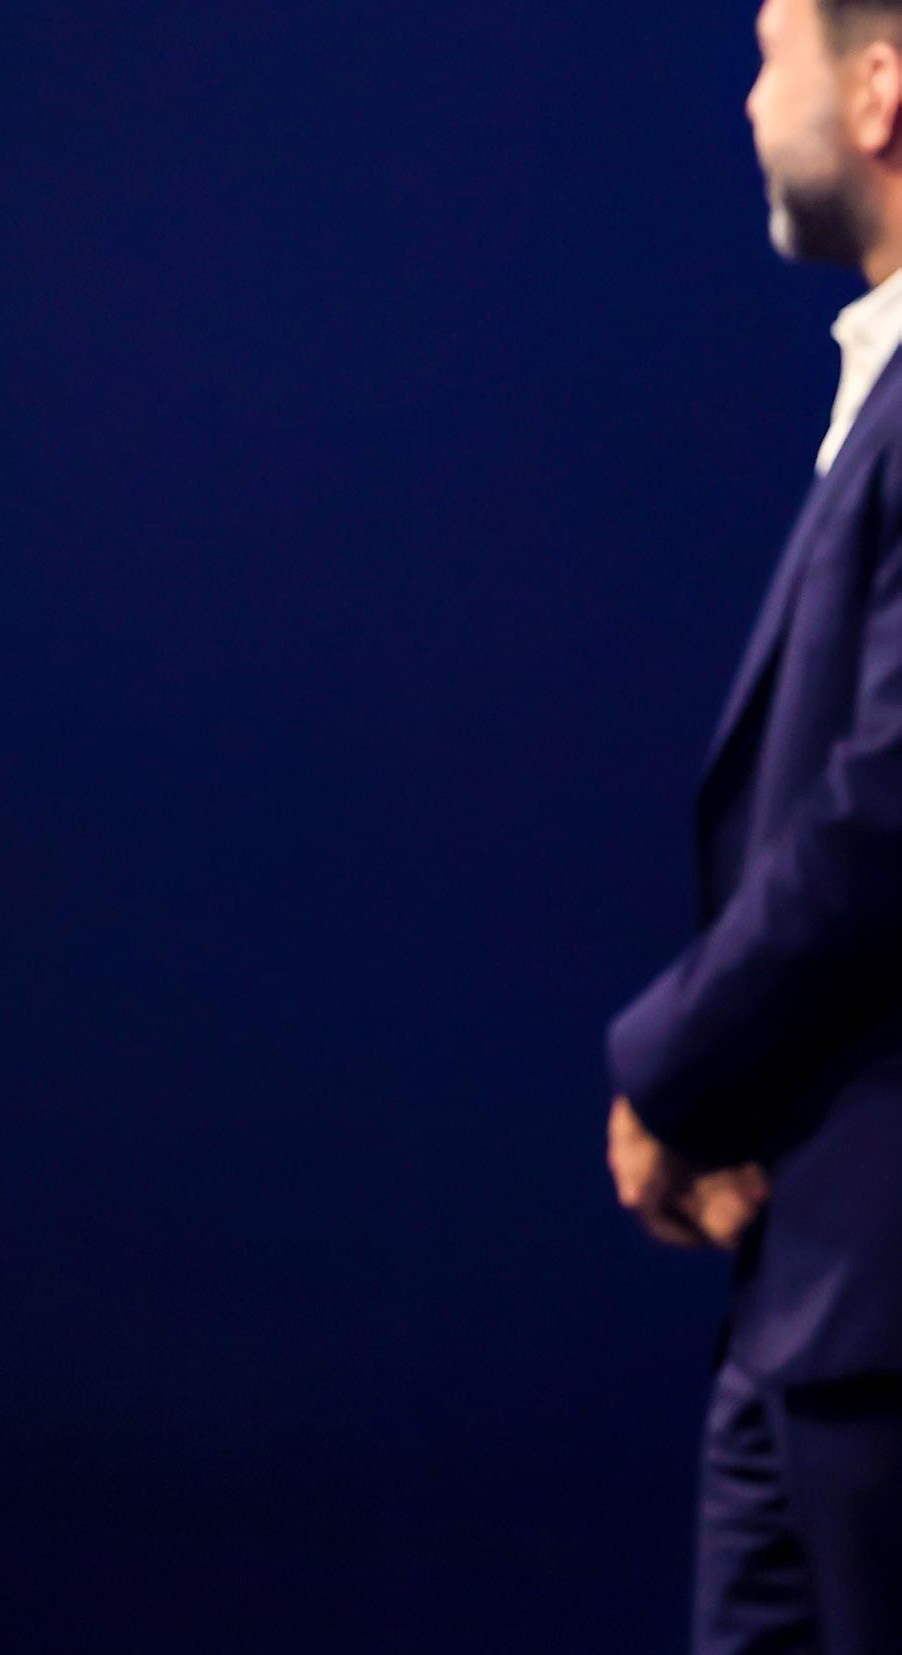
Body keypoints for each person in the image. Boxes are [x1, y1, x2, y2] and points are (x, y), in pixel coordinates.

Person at [606, 1, 902, 1647]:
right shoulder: (879, 382)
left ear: (880, 88)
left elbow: (885, 811)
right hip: (813, 1283)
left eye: (775, 50)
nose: (748, 100)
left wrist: (674, 1073)